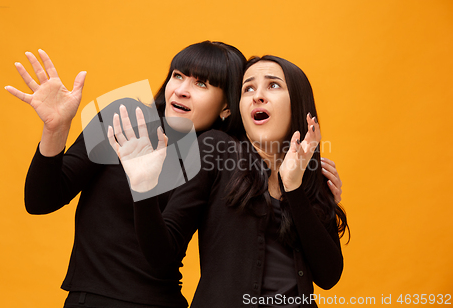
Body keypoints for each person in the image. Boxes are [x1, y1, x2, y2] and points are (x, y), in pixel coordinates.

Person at [4, 41, 248, 308]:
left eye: (201, 84)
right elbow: (41, 201)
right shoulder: (124, 118)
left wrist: (143, 186)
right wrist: (55, 130)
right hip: (87, 299)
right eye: (178, 76)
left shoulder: (214, 152)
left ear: (227, 107)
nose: (181, 90)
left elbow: (164, 254)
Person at [109, 55, 349, 308]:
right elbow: (162, 254)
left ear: (298, 103)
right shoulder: (217, 150)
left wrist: (294, 188)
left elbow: (329, 275)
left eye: (273, 85)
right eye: (248, 88)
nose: (257, 95)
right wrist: (143, 188)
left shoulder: (312, 177)